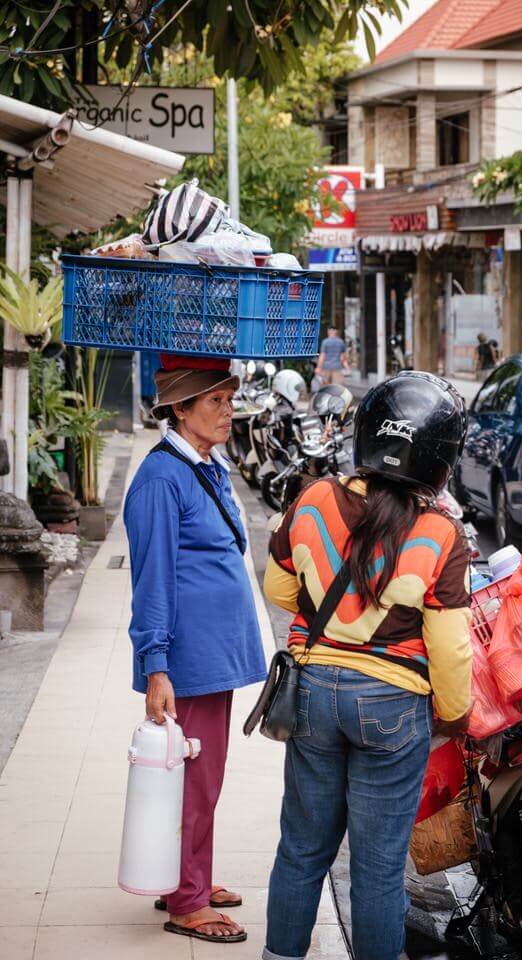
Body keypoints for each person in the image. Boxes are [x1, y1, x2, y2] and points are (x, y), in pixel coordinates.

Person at [262, 372, 473, 960]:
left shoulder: (313, 500)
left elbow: (280, 588)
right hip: (392, 707)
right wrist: (454, 716)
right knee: (378, 870)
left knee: (302, 850)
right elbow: (452, 647)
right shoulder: (439, 533)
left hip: (310, 695)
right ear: (439, 461)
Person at [124, 354, 267, 945]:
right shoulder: (161, 479)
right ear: (179, 410)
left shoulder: (206, 464)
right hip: (189, 663)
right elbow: (151, 581)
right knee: (196, 780)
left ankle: (189, 876)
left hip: (214, 657)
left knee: (203, 778)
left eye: (229, 399)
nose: (228, 410)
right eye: (214, 401)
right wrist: (156, 665)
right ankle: (187, 901)